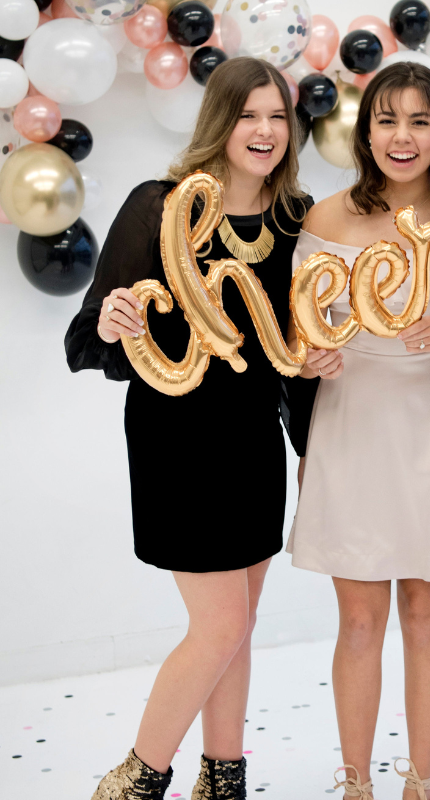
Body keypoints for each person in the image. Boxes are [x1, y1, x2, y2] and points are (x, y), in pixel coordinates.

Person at [65, 57, 326, 800]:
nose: (266, 131)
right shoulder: (161, 206)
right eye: (249, 116)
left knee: (238, 624)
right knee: (218, 626)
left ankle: (225, 779)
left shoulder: (293, 221)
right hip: (176, 441)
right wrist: (113, 322)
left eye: (278, 116)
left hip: (251, 445)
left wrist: (318, 376)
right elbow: (87, 337)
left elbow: (293, 353)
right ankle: (135, 780)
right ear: (220, 122)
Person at [286, 62, 430, 800]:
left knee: (424, 610)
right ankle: (355, 783)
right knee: (358, 616)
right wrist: (311, 359)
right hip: (352, 419)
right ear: (365, 130)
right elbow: (298, 340)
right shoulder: (326, 218)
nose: (401, 136)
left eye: (419, 120)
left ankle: (421, 779)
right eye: (387, 120)